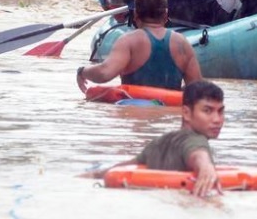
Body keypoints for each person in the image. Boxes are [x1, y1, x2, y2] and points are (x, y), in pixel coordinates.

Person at [84, 79, 225, 198]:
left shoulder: (158, 143)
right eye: (207, 111)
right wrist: (206, 167)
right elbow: (198, 153)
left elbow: (123, 166)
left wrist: (92, 175)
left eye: (220, 111)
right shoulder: (195, 141)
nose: (217, 119)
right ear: (186, 113)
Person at [76, 0, 202, 91]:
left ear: (136, 14)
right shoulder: (182, 43)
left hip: (135, 110)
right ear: (165, 15)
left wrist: (82, 72)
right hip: (170, 114)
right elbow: (197, 89)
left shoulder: (128, 41)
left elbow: (105, 73)